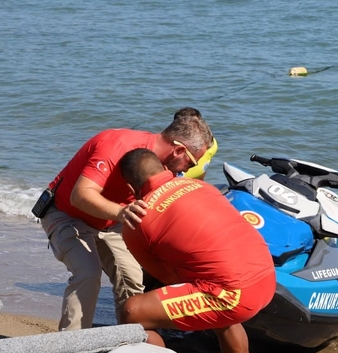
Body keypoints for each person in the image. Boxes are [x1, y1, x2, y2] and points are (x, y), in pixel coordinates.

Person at [117, 148, 276, 353]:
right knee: (217, 305)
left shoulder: (137, 220)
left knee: (132, 311)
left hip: (235, 294)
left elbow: (163, 276)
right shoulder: (199, 186)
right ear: (165, 168)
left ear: (129, 185)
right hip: (267, 277)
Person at [38, 112, 213, 331]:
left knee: (132, 281)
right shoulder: (116, 145)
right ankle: (67, 352)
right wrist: (122, 213)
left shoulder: (166, 166)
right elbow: (80, 195)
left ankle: (128, 344)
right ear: (178, 149)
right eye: (192, 161)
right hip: (66, 213)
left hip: (111, 220)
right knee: (88, 274)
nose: (189, 169)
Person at [172, 107, 218, 180]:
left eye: (196, 124)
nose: (192, 129)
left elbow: (204, 165)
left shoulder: (211, 144)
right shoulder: (172, 150)